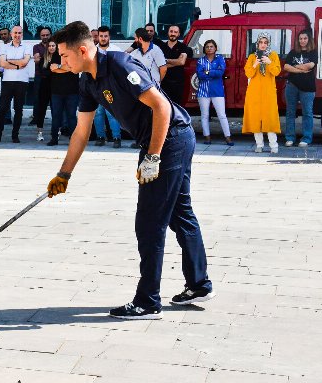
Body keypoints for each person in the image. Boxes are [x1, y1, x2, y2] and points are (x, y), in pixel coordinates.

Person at [47, 21, 213, 320]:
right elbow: (81, 132)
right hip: (167, 138)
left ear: (83, 50)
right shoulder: (87, 80)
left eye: (65, 56)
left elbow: (161, 107)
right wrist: (64, 174)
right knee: (179, 212)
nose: (62, 62)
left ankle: (148, 301)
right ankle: (199, 284)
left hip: (169, 138)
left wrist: (152, 157)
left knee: (149, 222)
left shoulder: (120, 65)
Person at [243, 32, 281, 153]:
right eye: (261, 42)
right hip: (254, 92)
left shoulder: (273, 55)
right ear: (257, 44)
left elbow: (276, 72)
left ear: (268, 44)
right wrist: (255, 64)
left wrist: (269, 62)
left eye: (265, 42)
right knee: (255, 118)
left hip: (268, 92)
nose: (263, 45)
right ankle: (259, 144)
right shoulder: (252, 57)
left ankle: (274, 145)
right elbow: (248, 74)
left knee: (269, 118)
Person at [0, 25, 31, 143]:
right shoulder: (4, 47)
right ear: (11, 34)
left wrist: (11, 62)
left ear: (22, 34)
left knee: (18, 109)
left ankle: (15, 135)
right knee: (2, 108)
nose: (17, 35)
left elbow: (25, 62)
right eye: (15, 33)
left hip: (22, 82)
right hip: (7, 81)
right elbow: (3, 64)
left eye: (19, 33)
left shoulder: (27, 47)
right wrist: (18, 64)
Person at [283, 29, 317, 147]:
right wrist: (300, 70)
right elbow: (286, 67)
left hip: (308, 87)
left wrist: (295, 67)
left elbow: (310, 65)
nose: (302, 41)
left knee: (307, 113)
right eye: (300, 38)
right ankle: (290, 138)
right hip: (291, 86)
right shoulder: (293, 52)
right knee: (290, 112)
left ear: (309, 40)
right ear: (298, 40)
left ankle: (306, 138)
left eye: (305, 38)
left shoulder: (313, 52)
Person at [195, 40, 232, 146]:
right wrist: (212, 72)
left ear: (215, 48)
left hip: (217, 91)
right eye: (207, 46)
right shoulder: (201, 60)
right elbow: (200, 75)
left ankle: (228, 137)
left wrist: (207, 71)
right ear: (204, 49)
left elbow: (220, 73)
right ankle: (207, 137)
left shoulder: (220, 58)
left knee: (222, 115)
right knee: (205, 115)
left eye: (211, 46)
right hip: (203, 91)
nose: (209, 48)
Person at [44, 41, 80, 146]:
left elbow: (73, 68)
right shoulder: (55, 55)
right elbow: (52, 68)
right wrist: (66, 68)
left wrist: (59, 67)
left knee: (72, 116)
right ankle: (54, 139)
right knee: (56, 116)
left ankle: (74, 140)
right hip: (56, 91)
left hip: (72, 91)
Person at [95, 25, 123, 148]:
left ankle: (117, 138)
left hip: (111, 87)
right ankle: (100, 137)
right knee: (98, 113)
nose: (103, 38)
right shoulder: (92, 52)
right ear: (98, 37)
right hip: (97, 87)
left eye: (105, 36)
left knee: (112, 113)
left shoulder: (116, 50)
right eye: (101, 36)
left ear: (109, 37)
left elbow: (122, 68)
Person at [158, 25, 193, 106]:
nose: (173, 34)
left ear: (179, 34)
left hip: (178, 83)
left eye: (175, 32)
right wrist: (176, 62)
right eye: (171, 31)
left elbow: (181, 62)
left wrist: (165, 61)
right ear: (168, 33)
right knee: (164, 106)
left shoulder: (183, 47)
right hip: (163, 83)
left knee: (177, 107)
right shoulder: (161, 47)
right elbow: (158, 64)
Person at [31, 27, 52, 139]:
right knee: (38, 102)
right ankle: (37, 123)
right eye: (43, 35)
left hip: (53, 79)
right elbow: (37, 59)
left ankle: (58, 129)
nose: (45, 37)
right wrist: (49, 58)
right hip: (40, 77)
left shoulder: (54, 46)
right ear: (40, 36)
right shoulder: (36, 47)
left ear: (50, 35)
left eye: (47, 35)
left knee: (55, 104)